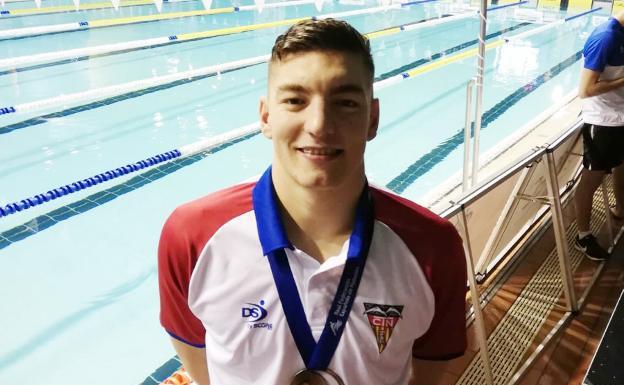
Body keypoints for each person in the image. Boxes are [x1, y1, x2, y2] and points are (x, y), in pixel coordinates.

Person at [158, 18, 467, 385]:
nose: (319, 124)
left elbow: (431, 371)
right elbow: (197, 361)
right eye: (295, 100)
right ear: (266, 116)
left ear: (373, 118)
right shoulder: (192, 236)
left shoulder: (432, 246)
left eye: (346, 102)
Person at [574, 11, 624, 261]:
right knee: (590, 180)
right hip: (602, 122)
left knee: (622, 165)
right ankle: (582, 237)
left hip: (620, 116)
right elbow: (586, 89)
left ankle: (620, 209)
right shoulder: (605, 37)